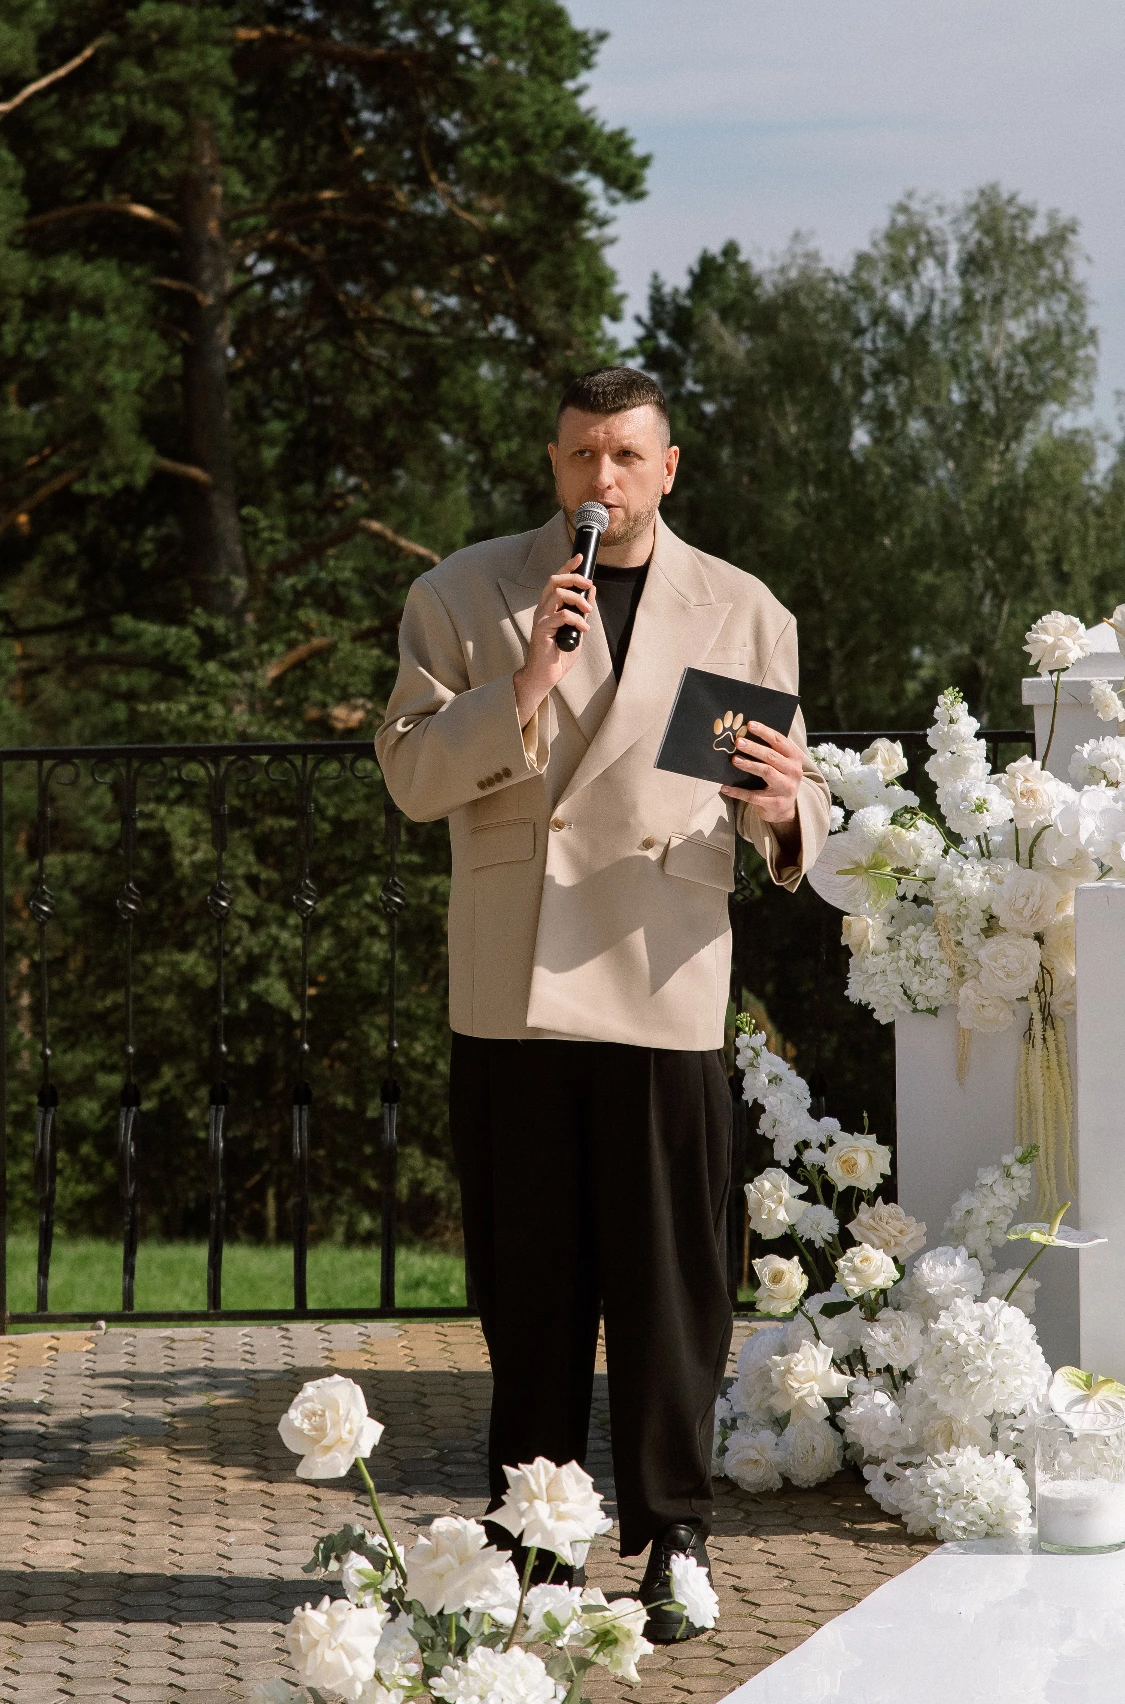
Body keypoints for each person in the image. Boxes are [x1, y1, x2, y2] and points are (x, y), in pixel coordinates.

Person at [375, 367, 830, 1639]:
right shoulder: (461, 594)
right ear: (554, 462)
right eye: (581, 454)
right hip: (512, 991)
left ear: (666, 467)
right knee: (528, 1294)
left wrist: (780, 804)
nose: (602, 479)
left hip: (661, 979)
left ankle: (674, 1538)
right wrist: (521, 687)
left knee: (671, 1295)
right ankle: (538, 1543)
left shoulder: (743, 610)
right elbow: (409, 776)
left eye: (626, 455)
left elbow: (793, 802)